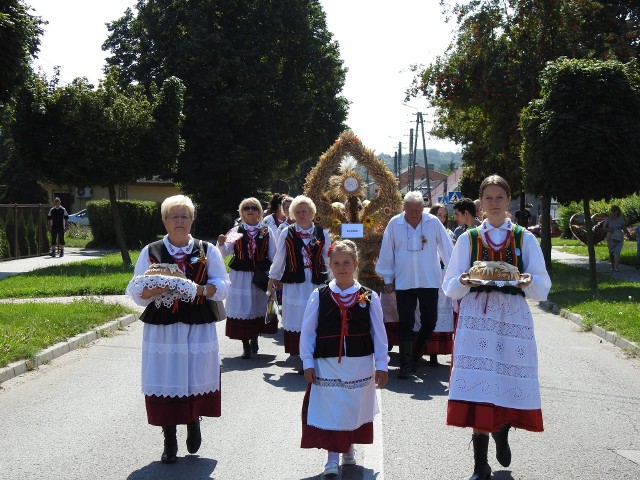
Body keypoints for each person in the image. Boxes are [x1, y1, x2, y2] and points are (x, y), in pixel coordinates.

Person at [442, 175, 551, 480]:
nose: (494, 203)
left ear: (508, 200)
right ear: (480, 203)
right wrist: (464, 280)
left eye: (499, 197)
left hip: (512, 317)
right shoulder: (469, 238)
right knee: (479, 382)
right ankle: (480, 465)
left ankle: (502, 430)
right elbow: (449, 285)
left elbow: (542, 285)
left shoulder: (523, 238)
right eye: (488, 198)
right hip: (477, 318)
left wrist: (528, 281)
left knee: (503, 378)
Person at [126, 195, 230, 464]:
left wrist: (200, 289)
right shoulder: (151, 251)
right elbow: (138, 293)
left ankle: (194, 420)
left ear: (193, 220)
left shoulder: (208, 250)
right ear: (164, 220)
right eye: (174, 216)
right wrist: (162, 285)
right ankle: (169, 438)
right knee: (167, 375)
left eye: (185, 216)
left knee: (194, 373)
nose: (180, 221)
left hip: (198, 323)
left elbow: (223, 285)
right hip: (164, 327)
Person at [300, 240, 389, 477]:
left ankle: (348, 447)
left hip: (359, 365)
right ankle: (331, 458)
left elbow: (379, 334)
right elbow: (307, 332)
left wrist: (382, 364)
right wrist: (307, 362)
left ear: (356, 264)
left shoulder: (369, 297)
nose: (341, 268)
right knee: (332, 410)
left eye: (346, 263)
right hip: (326, 364)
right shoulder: (319, 295)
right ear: (329, 265)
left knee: (352, 409)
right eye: (336, 263)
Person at [375, 191, 454, 379]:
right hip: (404, 281)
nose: (414, 214)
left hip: (429, 281)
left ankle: (416, 356)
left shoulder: (433, 222)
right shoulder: (395, 223)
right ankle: (405, 364)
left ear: (423, 208)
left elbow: (447, 248)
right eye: (410, 210)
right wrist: (388, 278)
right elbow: (387, 252)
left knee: (430, 321)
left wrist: (453, 275)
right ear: (404, 209)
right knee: (406, 323)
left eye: (417, 210)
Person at [268, 195, 331, 373]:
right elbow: (280, 258)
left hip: (316, 281)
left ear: (312, 213)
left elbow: (328, 258)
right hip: (295, 281)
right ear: (293, 214)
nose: (302, 214)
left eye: (305, 211)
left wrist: (333, 280)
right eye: (298, 211)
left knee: (315, 317)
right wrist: (273, 279)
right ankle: (302, 358)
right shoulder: (287, 232)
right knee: (298, 318)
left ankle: (314, 355)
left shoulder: (322, 233)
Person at [217, 197, 277, 359]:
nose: (250, 211)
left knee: (258, 305)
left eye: (254, 208)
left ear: (259, 212)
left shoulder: (266, 230)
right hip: (241, 275)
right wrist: (221, 244)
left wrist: (275, 275)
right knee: (244, 307)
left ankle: (255, 338)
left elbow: (274, 254)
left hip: (260, 273)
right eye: (246, 208)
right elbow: (225, 252)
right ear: (242, 212)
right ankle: (246, 345)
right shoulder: (236, 230)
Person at [416, 203, 455, 366]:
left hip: (443, 277)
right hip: (428, 276)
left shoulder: (448, 233)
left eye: (445, 215)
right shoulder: (424, 230)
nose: (442, 218)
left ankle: (436, 352)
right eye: (439, 214)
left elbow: (450, 254)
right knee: (425, 313)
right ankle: (422, 349)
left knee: (440, 315)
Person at [603, 205, 626, 272]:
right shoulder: (608, 219)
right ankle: (612, 266)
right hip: (610, 237)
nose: (612, 212)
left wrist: (629, 234)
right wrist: (609, 229)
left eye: (614, 210)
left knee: (617, 252)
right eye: (611, 210)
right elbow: (604, 228)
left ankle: (616, 267)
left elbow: (623, 227)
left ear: (617, 211)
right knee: (611, 252)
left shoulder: (621, 218)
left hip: (619, 237)